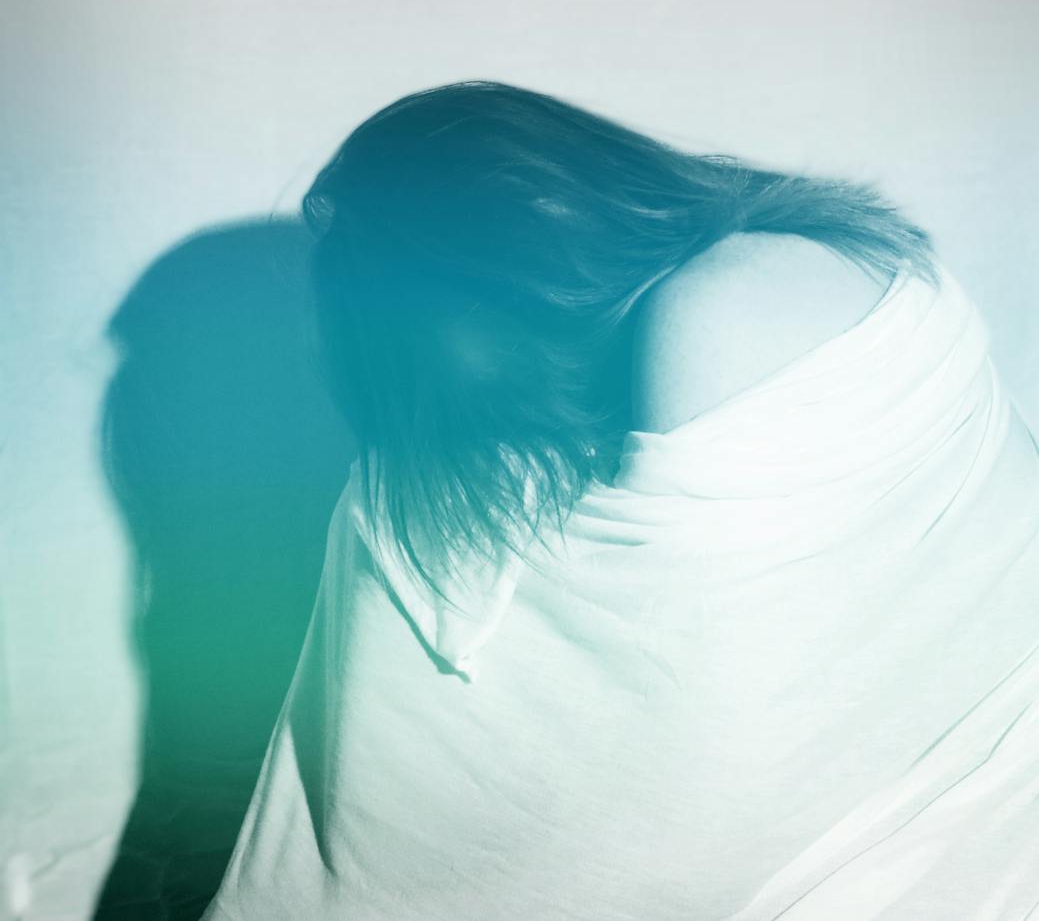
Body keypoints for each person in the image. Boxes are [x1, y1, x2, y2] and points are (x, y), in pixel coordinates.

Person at [202, 81, 1039, 920]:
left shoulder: (725, 303)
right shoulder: (811, 254)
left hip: (933, 782)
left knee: (395, 497)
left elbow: (707, 743)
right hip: (970, 712)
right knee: (403, 489)